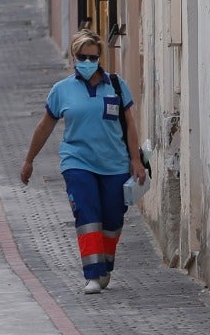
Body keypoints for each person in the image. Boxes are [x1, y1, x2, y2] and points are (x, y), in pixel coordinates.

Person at [20, 29, 146, 294]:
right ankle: (92, 274)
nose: (87, 62)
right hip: (77, 162)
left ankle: (105, 265)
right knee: (87, 213)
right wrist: (29, 160)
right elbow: (45, 127)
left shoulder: (116, 85)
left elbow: (130, 125)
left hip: (114, 163)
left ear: (100, 57)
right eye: (82, 56)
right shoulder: (61, 90)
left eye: (92, 57)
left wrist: (135, 159)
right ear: (73, 56)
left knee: (113, 218)